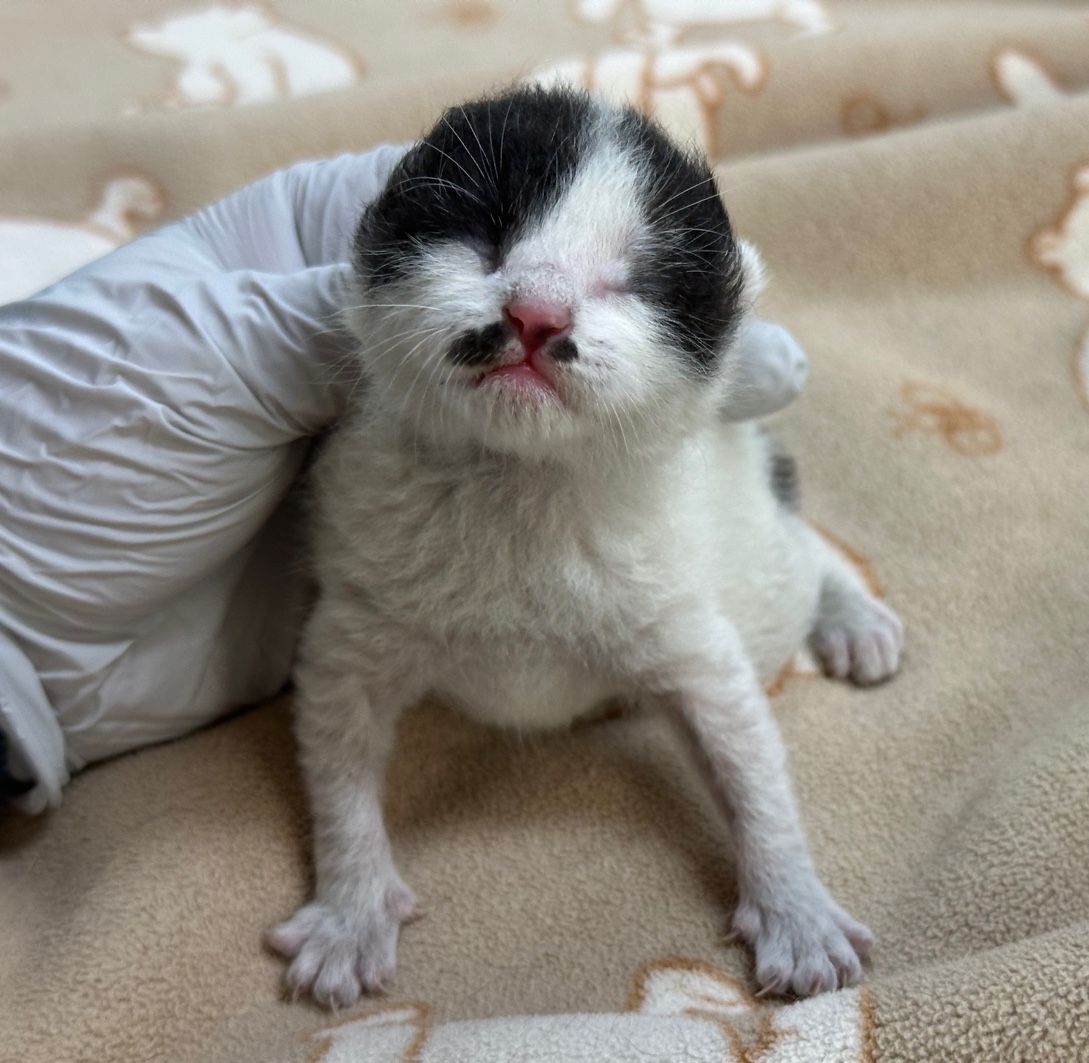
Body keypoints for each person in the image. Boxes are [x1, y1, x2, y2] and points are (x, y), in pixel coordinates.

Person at [0, 146, 809, 813]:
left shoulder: (673, 511)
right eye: (489, 253)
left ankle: (831, 574)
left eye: (627, 284)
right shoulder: (355, 417)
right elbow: (351, 665)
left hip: (694, 537)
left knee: (774, 570)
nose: (537, 308)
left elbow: (704, 665)